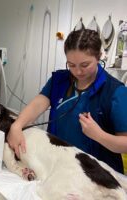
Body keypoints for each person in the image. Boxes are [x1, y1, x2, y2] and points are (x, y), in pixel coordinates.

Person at [8, 29, 127, 173]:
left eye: (85, 65)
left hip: (98, 174)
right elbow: (38, 104)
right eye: (71, 65)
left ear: (99, 56)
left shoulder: (115, 92)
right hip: (60, 164)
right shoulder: (59, 80)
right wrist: (17, 125)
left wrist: (99, 135)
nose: (78, 72)